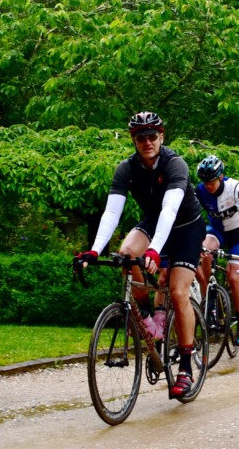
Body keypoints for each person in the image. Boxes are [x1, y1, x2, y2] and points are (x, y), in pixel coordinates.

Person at [75, 112, 206, 401]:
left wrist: (155, 250)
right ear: (133, 140)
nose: (146, 142)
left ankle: (186, 367)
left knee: (178, 291)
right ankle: (147, 316)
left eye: (152, 136)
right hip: (155, 221)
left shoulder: (175, 164)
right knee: (124, 253)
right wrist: (95, 249)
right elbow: (112, 211)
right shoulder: (127, 168)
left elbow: (171, 211)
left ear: (162, 137)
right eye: (140, 138)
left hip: (185, 227)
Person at [194, 154, 239, 347]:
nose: (208, 185)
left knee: (233, 277)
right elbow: (193, 217)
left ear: (221, 177)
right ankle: (209, 300)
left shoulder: (236, 188)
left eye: (211, 181)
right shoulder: (200, 191)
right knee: (203, 249)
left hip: (237, 236)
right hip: (217, 232)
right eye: (205, 182)